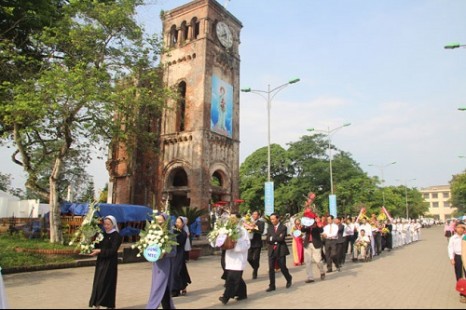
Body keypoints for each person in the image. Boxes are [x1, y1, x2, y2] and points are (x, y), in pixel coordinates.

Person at [89, 215, 123, 309]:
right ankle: (97, 304)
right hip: (101, 262)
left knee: (107, 284)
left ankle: (109, 305)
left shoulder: (117, 236)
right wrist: (90, 248)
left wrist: (100, 251)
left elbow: (113, 250)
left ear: (113, 224)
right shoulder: (102, 234)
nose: (106, 226)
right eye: (105, 224)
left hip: (110, 263)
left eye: (108, 224)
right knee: (98, 283)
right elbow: (96, 245)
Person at [219, 213, 250, 305]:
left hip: (238, 259)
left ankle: (226, 297)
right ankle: (242, 294)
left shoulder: (243, 231)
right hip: (229, 258)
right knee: (237, 278)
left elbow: (247, 244)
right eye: (230, 218)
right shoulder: (226, 229)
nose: (231, 219)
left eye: (233, 218)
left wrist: (236, 244)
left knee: (232, 280)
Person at [147, 213, 177, 309]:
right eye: (158, 221)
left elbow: (174, 252)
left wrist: (164, 253)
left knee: (159, 286)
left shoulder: (170, 235)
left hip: (166, 265)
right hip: (157, 264)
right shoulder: (154, 234)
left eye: (161, 221)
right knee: (162, 287)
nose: (159, 223)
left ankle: (151, 307)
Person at [265, 213, 292, 292]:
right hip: (271, 250)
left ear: (278, 219)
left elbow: (281, 239)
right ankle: (272, 285)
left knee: (282, 267)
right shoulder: (270, 228)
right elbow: (267, 239)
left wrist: (272, 238)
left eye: (273, 219)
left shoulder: (283, 227)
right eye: (271, 219)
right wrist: (275, 237)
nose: (272, 221)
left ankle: (288, 278)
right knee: (271, 268)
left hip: (280, 250)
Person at [300, 212, 325, 283]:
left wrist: (317, 225)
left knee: (318, 260)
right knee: (307, 261)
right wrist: (305, 225)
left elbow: (321, 230)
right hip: (307, 244)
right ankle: (310, 277)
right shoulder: (306, 224)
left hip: (316, 244)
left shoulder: (317, 224)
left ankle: (322, 271)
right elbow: (302, 230)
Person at [171, 217, 191, 297]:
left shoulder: (183, 233)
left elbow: (178, 243)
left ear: (183, 224)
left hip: (179, 254)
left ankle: (175, 290)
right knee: (181, 271)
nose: (177, 224)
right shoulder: (173, 231)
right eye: (176, 222)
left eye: (179, 222)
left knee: (175, 271)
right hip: (173, 254)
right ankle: (183, 286)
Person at [447, 221, 466, 303]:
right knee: (459, 275)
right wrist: (452, 258)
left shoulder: (465, 237)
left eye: (462, 228)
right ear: (455, 228)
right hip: (458, 257)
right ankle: (462, 294)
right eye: (459, 227)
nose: (460, 229)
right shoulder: (453, 238)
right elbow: (450, 248)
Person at [246, 210, 265, 279]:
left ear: (258, 216)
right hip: (250, 243)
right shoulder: (249, 222)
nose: (254, 215)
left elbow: (261, 231)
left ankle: (255, 271)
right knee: (249, 258)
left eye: (256, 214)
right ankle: (255, 267)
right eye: (253, 214)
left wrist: (253, 228)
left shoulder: (261, 223)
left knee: (256, 258)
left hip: (257, 243)